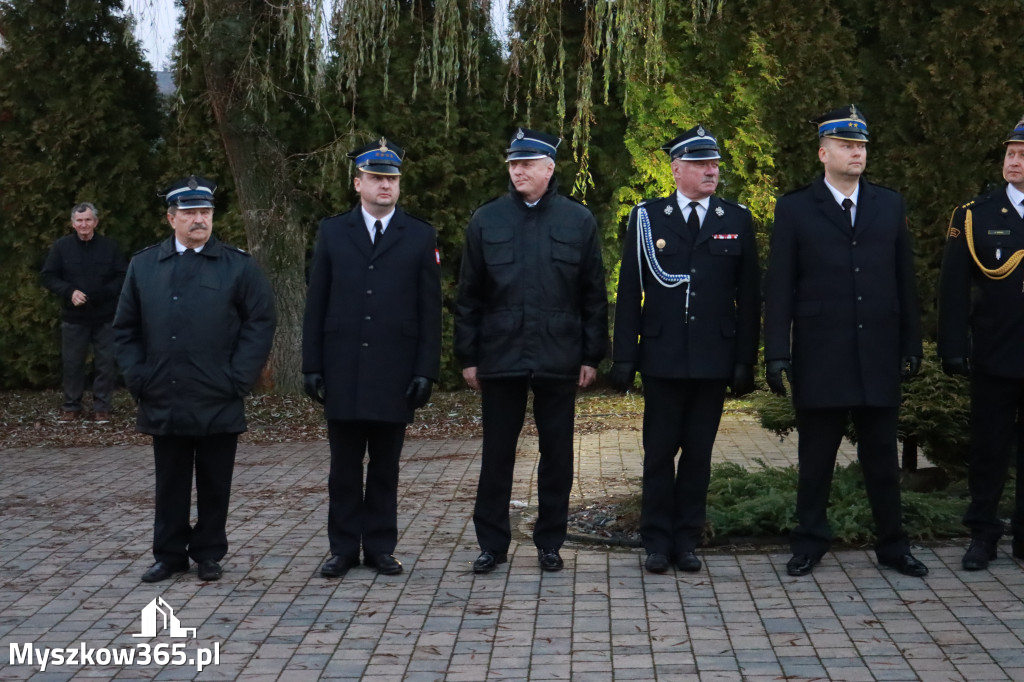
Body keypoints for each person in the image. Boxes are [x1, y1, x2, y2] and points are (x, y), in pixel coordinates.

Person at [763, 106, 927, 577]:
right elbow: (780, 287)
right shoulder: (795, 208)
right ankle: (809, 542)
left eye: (861, 146)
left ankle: (893, 546)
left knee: (882, 459)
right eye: (847, 146)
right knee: (815, 460)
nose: (857, 153)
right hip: (822, 352)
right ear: (823, 152)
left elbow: (903, 280)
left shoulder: (888, 204)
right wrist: (777, 352)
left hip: (877, 351)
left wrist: (910, 342)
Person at [455, 127, 608, 574]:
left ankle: (550, 542)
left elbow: (593, 295)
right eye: (512, 164)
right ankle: (492, 544)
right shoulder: (487, 220)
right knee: (497, 454)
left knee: (557, 455)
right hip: (500, 356)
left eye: (526, 164)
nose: (517, 171)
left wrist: (590, 356)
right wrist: (469, 356)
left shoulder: (577, 220)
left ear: (549, 168)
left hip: (558, 356)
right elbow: (469, 295)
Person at [609, 125, 760, 574]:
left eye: (713, 163)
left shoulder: (735, 219)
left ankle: (688, 539)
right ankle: (655, 540)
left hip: (714, 357)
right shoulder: (647, 217)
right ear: (676, 170)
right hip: (663, 356)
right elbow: (630, 289)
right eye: (700, 164)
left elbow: (749, 297)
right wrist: (623, 356)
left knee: (699, 452)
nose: (711, 170)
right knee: (658, 453)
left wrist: (744, 359)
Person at [114, 176, 276, 583]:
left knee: (214, 480)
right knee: (170, 480)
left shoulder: (237, 265)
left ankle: (209, 552)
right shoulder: (145, 265)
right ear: (172, 218)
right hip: (162, 391)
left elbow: (261, 320)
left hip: (217, 392)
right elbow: (125, 328)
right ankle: (168, 555)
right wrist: (139, 377)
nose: (199, 219)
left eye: (205, 212)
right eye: (189, 213)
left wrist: (239, 377)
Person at [302, 138, 442, 578]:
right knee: (343, 468)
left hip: (394, 370)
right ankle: (343, 548)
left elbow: (429, 310)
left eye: (392, 179)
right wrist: (311, 365)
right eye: (377, 178)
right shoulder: (332, 231)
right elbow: (317, 303)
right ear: (358, 182)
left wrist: (425, 370)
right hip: (343, 367)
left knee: (385, 466)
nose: (386, 186)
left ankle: (380, 546)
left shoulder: (419, 235)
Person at [938, 116, 1024, 571]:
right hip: (995, 352)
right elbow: (953, 288)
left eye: (1023, 155)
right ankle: (983, 533)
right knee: (988, 447)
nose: (1014, 160)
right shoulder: (976, 215)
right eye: (1011, 153)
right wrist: (953, 345)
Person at [41, 202, 127, 423]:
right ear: (73, 223)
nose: (84, 224)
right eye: (79, 220)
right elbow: (48, 276)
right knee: (72, 363)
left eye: (88, 220)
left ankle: (102, 408)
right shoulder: (61, 247)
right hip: (73, 317)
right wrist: (69, 292)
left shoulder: (110, 247)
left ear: (96, 222)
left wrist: (102, 294)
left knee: (106, 363)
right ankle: (71, 406)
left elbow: (122, 276)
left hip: (105, 316)